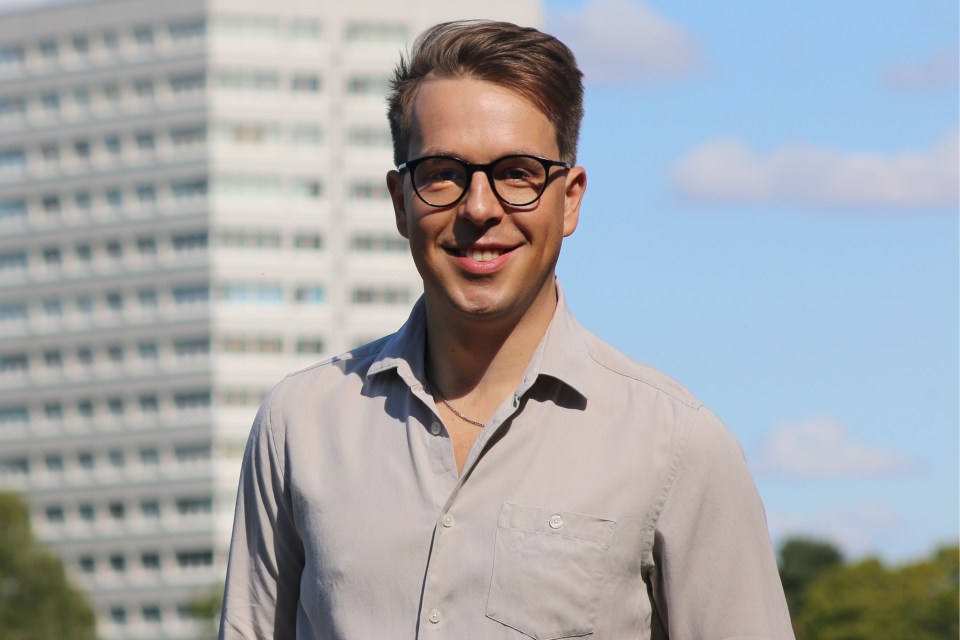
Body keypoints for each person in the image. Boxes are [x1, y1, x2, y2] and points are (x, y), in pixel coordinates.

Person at [219, 20, 795, 640]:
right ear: (398, 200)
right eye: (442, 171)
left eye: (518, 172)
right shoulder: (299, 425)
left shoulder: (680, 446)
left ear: (570, 199)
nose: (479, 208)